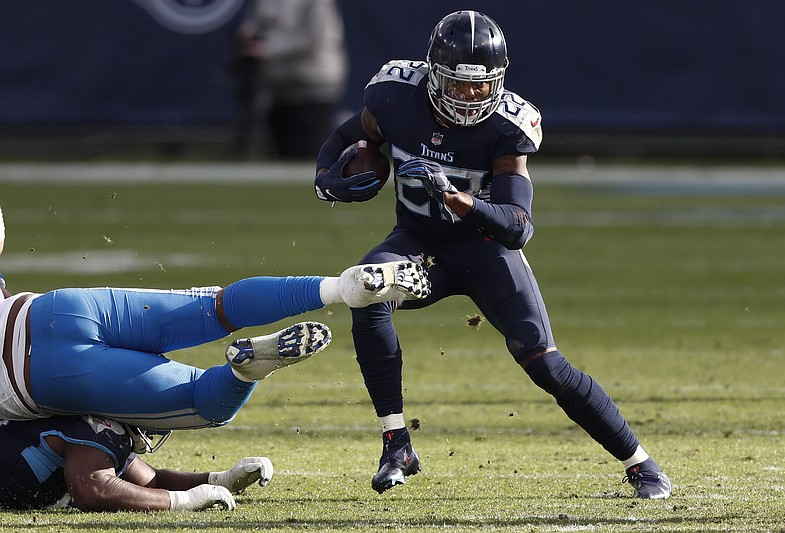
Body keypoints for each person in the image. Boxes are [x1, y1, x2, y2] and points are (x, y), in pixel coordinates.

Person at [313, 10, 672, 499]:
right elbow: (348, 135)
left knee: (544, 363)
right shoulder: (395, 95)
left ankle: (641, 464)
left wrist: (462, 200)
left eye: (481, 88)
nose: (470, 97)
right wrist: (327, 179)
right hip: (418, 243)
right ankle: (396, 442)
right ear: (435, 74)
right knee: (366, 290)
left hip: (486, 252)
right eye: (459, 85)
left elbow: (517, 227)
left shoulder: (506, 127)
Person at [0, 260, 429, 431]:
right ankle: (339, 288)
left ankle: (249, 368)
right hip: (54, 309)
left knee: (203, 402)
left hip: (32, 376)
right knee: (216, 308)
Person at [0, 413, 274, 511]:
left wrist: (221, 480)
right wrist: (183, 502)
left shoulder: (107, 432)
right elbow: (93, 491)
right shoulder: (100, 428)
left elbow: (151, 481)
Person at [235, 0, 348, 158]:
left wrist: (267, 50)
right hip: (279, 90)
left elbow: (311, 38)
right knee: (282, 155)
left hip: (313, 87)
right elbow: (256, 22)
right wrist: (251, 31)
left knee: (312, 155)